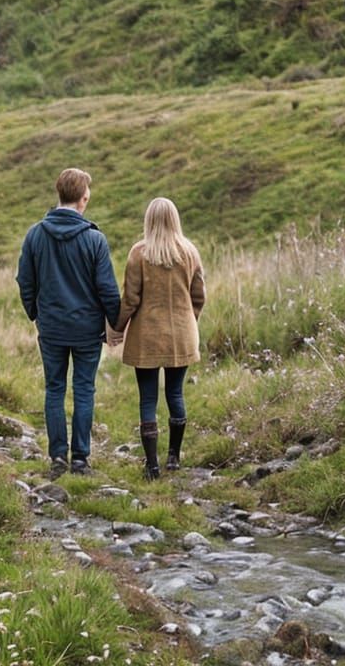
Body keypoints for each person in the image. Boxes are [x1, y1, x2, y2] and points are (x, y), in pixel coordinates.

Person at [16, 166, 121, 476]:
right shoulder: (94, 239)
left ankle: (58, 457)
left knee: (54, 389)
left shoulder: (35, 234)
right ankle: (80, 460)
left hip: (51, 328)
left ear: (59, 194)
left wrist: (36, 314)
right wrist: (115, 325)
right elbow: (107, 289)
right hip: (88, 329)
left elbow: (25, 281)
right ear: (83, 199)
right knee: (84, 389)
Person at [113, 196, 205, 479]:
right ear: (175, 219)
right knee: (175, 393)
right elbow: (199, 296)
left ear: (149, 220)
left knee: (147, 398)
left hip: (147, 336)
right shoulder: (189, 252)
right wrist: (190, 321)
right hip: (181, 333)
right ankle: (174, 458)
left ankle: (152, 465)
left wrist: (117, 328)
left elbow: (130, 299)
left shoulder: (139, 253)